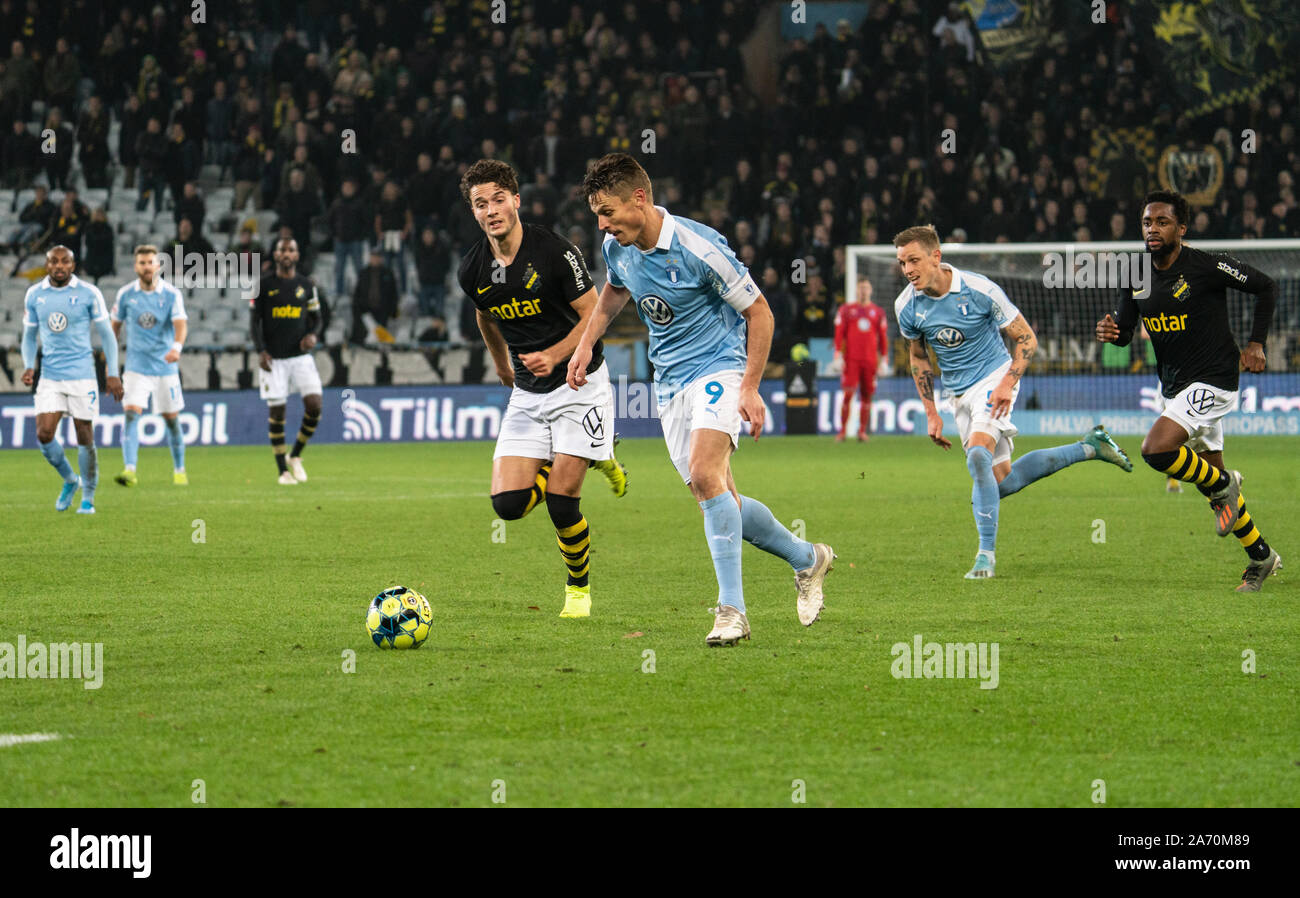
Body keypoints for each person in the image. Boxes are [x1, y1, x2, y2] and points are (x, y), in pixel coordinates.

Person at [569, 153, 835, 646]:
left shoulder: (699, 248)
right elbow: (614, 291)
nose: (602, 225)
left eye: (608, 212)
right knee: (715, 495)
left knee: (708, 475)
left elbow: (760, 313)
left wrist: (750, 387)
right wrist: (586, 343)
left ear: (640, 199)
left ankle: (732, 611)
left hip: (720, 367)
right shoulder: (616, 246)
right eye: (597, 215)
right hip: (669, 384)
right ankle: (808, 558)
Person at [893, 224, 1133, 580]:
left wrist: (1007, 383)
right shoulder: (907, 305)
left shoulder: (980, 290)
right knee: (1000, 480)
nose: (908, 270)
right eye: (901, 263)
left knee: (977, 456)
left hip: (995, 376)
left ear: (936, 257)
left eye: (913, 260)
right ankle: (1090, 447)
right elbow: (918, 357)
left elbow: (1027, 339)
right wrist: (931, 413)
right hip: (957, 393)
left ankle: (985, 557)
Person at [458, 159, 628, 619]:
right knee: (507, 506)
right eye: (480, 203)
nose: (490, 210)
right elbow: (484, 315)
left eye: (497, 199)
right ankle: (597, 452)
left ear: (515, 200)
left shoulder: (554, 252)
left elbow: (597, 314)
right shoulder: (472, 268)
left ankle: (578, 590)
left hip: (579, 382)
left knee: (560, 501)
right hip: (529, 393)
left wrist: (556, 355)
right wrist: (500, 364)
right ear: (473, 212)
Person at [1096, 190, 1281, 592]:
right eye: (1147, 222)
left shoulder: (1208, 265)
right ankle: (1262, 557)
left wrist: (1255, 343)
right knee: (1216, 492)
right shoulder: (1135, 273)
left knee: (1156, 450)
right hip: (1175, 386)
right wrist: (1112, 334)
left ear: (1181, 228)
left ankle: (1223, 483)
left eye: (1162, 222)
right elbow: (1126, 332)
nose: (1153, 229)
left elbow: (1266, 286)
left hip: (1214, 379)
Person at [20, 245, 123, 513]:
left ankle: (88, 496)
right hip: (51, 375)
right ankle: (70, 479)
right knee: (44, 434)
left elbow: (107, 335)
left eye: (65, 262)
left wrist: (113, 372)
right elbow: (30, 336)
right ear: (47, 265)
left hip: (82, 375)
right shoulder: (34, 295)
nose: (59, 266)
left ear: (73, 266)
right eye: (54, 261)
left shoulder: (89, 293)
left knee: (84, 434)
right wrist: (29, 365)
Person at [110, 245, 189, 487]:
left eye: (150, 262)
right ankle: (130, 470)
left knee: (172, 420)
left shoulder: (171, 294)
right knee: (131, 414)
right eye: (142, 263)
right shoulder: (125, 294)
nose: (146, 267)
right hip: (136, 367)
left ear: (158, 266)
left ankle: (179, 470)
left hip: (165, 368)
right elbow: (114, 327)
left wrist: (176, 348)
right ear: (136, 266)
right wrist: (112, 359)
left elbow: (180, 324)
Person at [250, 238, 324, 485]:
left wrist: (313, 335)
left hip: (301, 358)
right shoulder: (262, 285)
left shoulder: (306, 285)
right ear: (275, 254)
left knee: (314, 405)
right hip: (275, 359)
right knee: (277, 413)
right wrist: (261, 350)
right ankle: (282, 471)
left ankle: (296, 455)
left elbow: (318, 318)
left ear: (297, 254)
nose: (286, 253)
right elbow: (254, 322)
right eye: (282, 249)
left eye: (291, 249)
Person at [833, 277, 888, 441]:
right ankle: (842, 431)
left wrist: (884, 359)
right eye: (861, 288)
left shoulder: (878, 312)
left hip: (870, 360)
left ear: (870, 290)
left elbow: (883, 337)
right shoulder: (846, 310)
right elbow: (839, 334)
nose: (863, 291)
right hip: (852, 360)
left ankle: (862, 431)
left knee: (867, 396)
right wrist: (838, 354)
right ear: (856, 290)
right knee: (848, 394)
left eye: (866, 288)